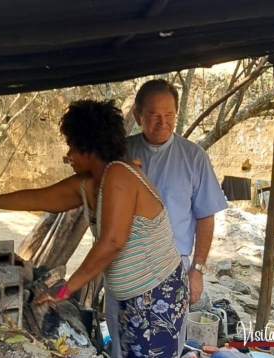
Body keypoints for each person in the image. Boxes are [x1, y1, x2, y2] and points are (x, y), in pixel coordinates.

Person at [0, 99, 189, 358]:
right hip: (131, 296)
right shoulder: (90, 182)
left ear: (89, 149)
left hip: (156, 298)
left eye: (71, 147)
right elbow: (38, 198)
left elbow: (112, 242)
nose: (68, 155)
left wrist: (67, 288)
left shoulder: (120, 175)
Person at [105, 79, 228, 357]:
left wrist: (197, 269)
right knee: (120, 343)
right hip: (124, 266)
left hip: (174, 268)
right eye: (154, 115)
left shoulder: (193, 157)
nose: (163, 122)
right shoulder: (121, 154)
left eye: (169, 115)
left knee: (167, 343)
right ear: (137, 115)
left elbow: (205, 216)